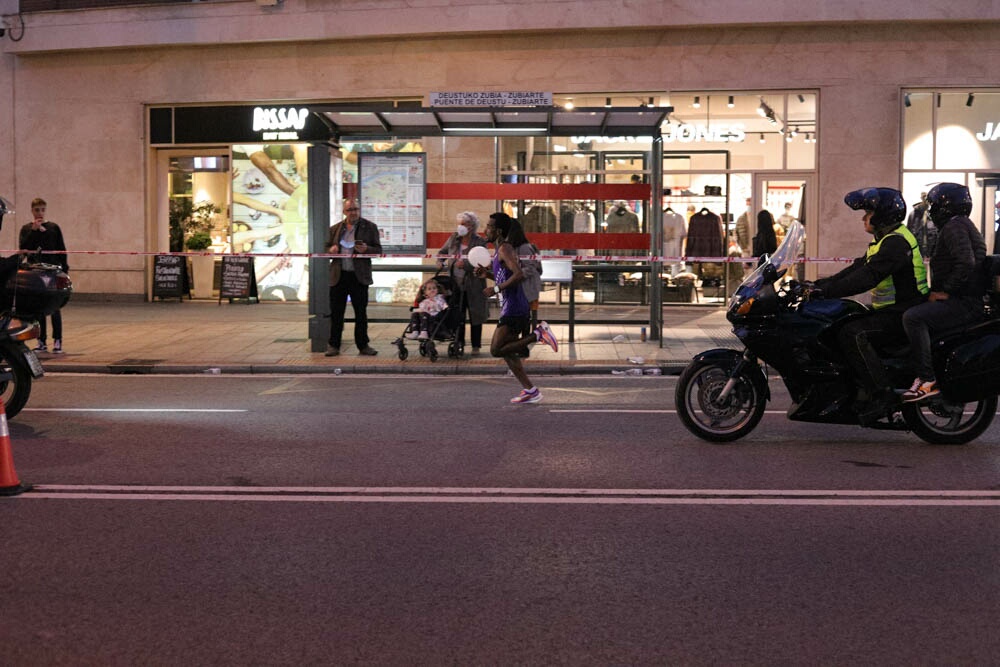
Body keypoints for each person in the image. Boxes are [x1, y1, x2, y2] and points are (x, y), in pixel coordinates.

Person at [812, 187, 929, 424]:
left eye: (868, 212)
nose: (863, 217)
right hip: (891, 310)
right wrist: (816, 285)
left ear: (883, 215)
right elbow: (857, 268)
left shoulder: (896, 244)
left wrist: (826, 292)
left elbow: (868, 277)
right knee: (840, 323)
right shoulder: (884, 240)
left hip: (903, 312)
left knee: (853, 334)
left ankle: (881, 394)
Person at [901, 183, 986, 402]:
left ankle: (926, 379)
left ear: (946, 206)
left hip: (964, 303)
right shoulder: (961, 224)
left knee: (913, 317)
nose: (931, 211)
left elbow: (966, 262)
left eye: (934, 205)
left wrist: (945, 290)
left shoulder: (954, 226)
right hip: (967, 299)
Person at [475, 212, 558, 404]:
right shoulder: (499, 249)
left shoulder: (505, 248)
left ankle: (539, 334)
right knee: (509, 353)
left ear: (499, 230)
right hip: (510, 305)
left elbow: (519, 275)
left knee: (496, 350)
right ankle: (531, 391)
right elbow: (505, 277)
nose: (486, 230)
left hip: (515, 306)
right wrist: (487, 273)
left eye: (489, 226)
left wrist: (495, 289)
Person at [324, 199, 381, 357]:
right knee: (336, 313)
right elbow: (324, 248)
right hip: (339, 276)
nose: (353, 212)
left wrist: (366, 249)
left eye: (355, 209)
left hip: (359, 277)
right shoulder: (335, 229)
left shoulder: (369, 227)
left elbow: (378, 250)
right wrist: (331, 250)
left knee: (360, 313)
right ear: (344, 212)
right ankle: (334, 345)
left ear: (359, 210)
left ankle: (363, 345)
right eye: (349, 210)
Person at [19, 197, 68, 354]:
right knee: (39, 307)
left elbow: (60, 249)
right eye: (36, 210)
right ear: (32, 211)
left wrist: (64, 270)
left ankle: (58, 340)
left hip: (52, 271)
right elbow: (24, 248)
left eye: (42, 210)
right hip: (35, 272)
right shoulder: (26, 229)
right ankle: (41, 341)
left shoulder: (53, 228)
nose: (39, 213)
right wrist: (34, 231)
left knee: (54, 307)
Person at [438, 211, 489, 355]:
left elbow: (483, 261)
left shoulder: (479, 242)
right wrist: (439, 260)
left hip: (474, 284)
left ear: (472, 226)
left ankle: (476, 346)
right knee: (457, 315)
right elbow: (442, 252)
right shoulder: (454, 238)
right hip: (456, 283)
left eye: (464, 224)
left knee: (476, 315)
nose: (460, 227)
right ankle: (458, 343)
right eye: (459, 223)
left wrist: (466, 264)